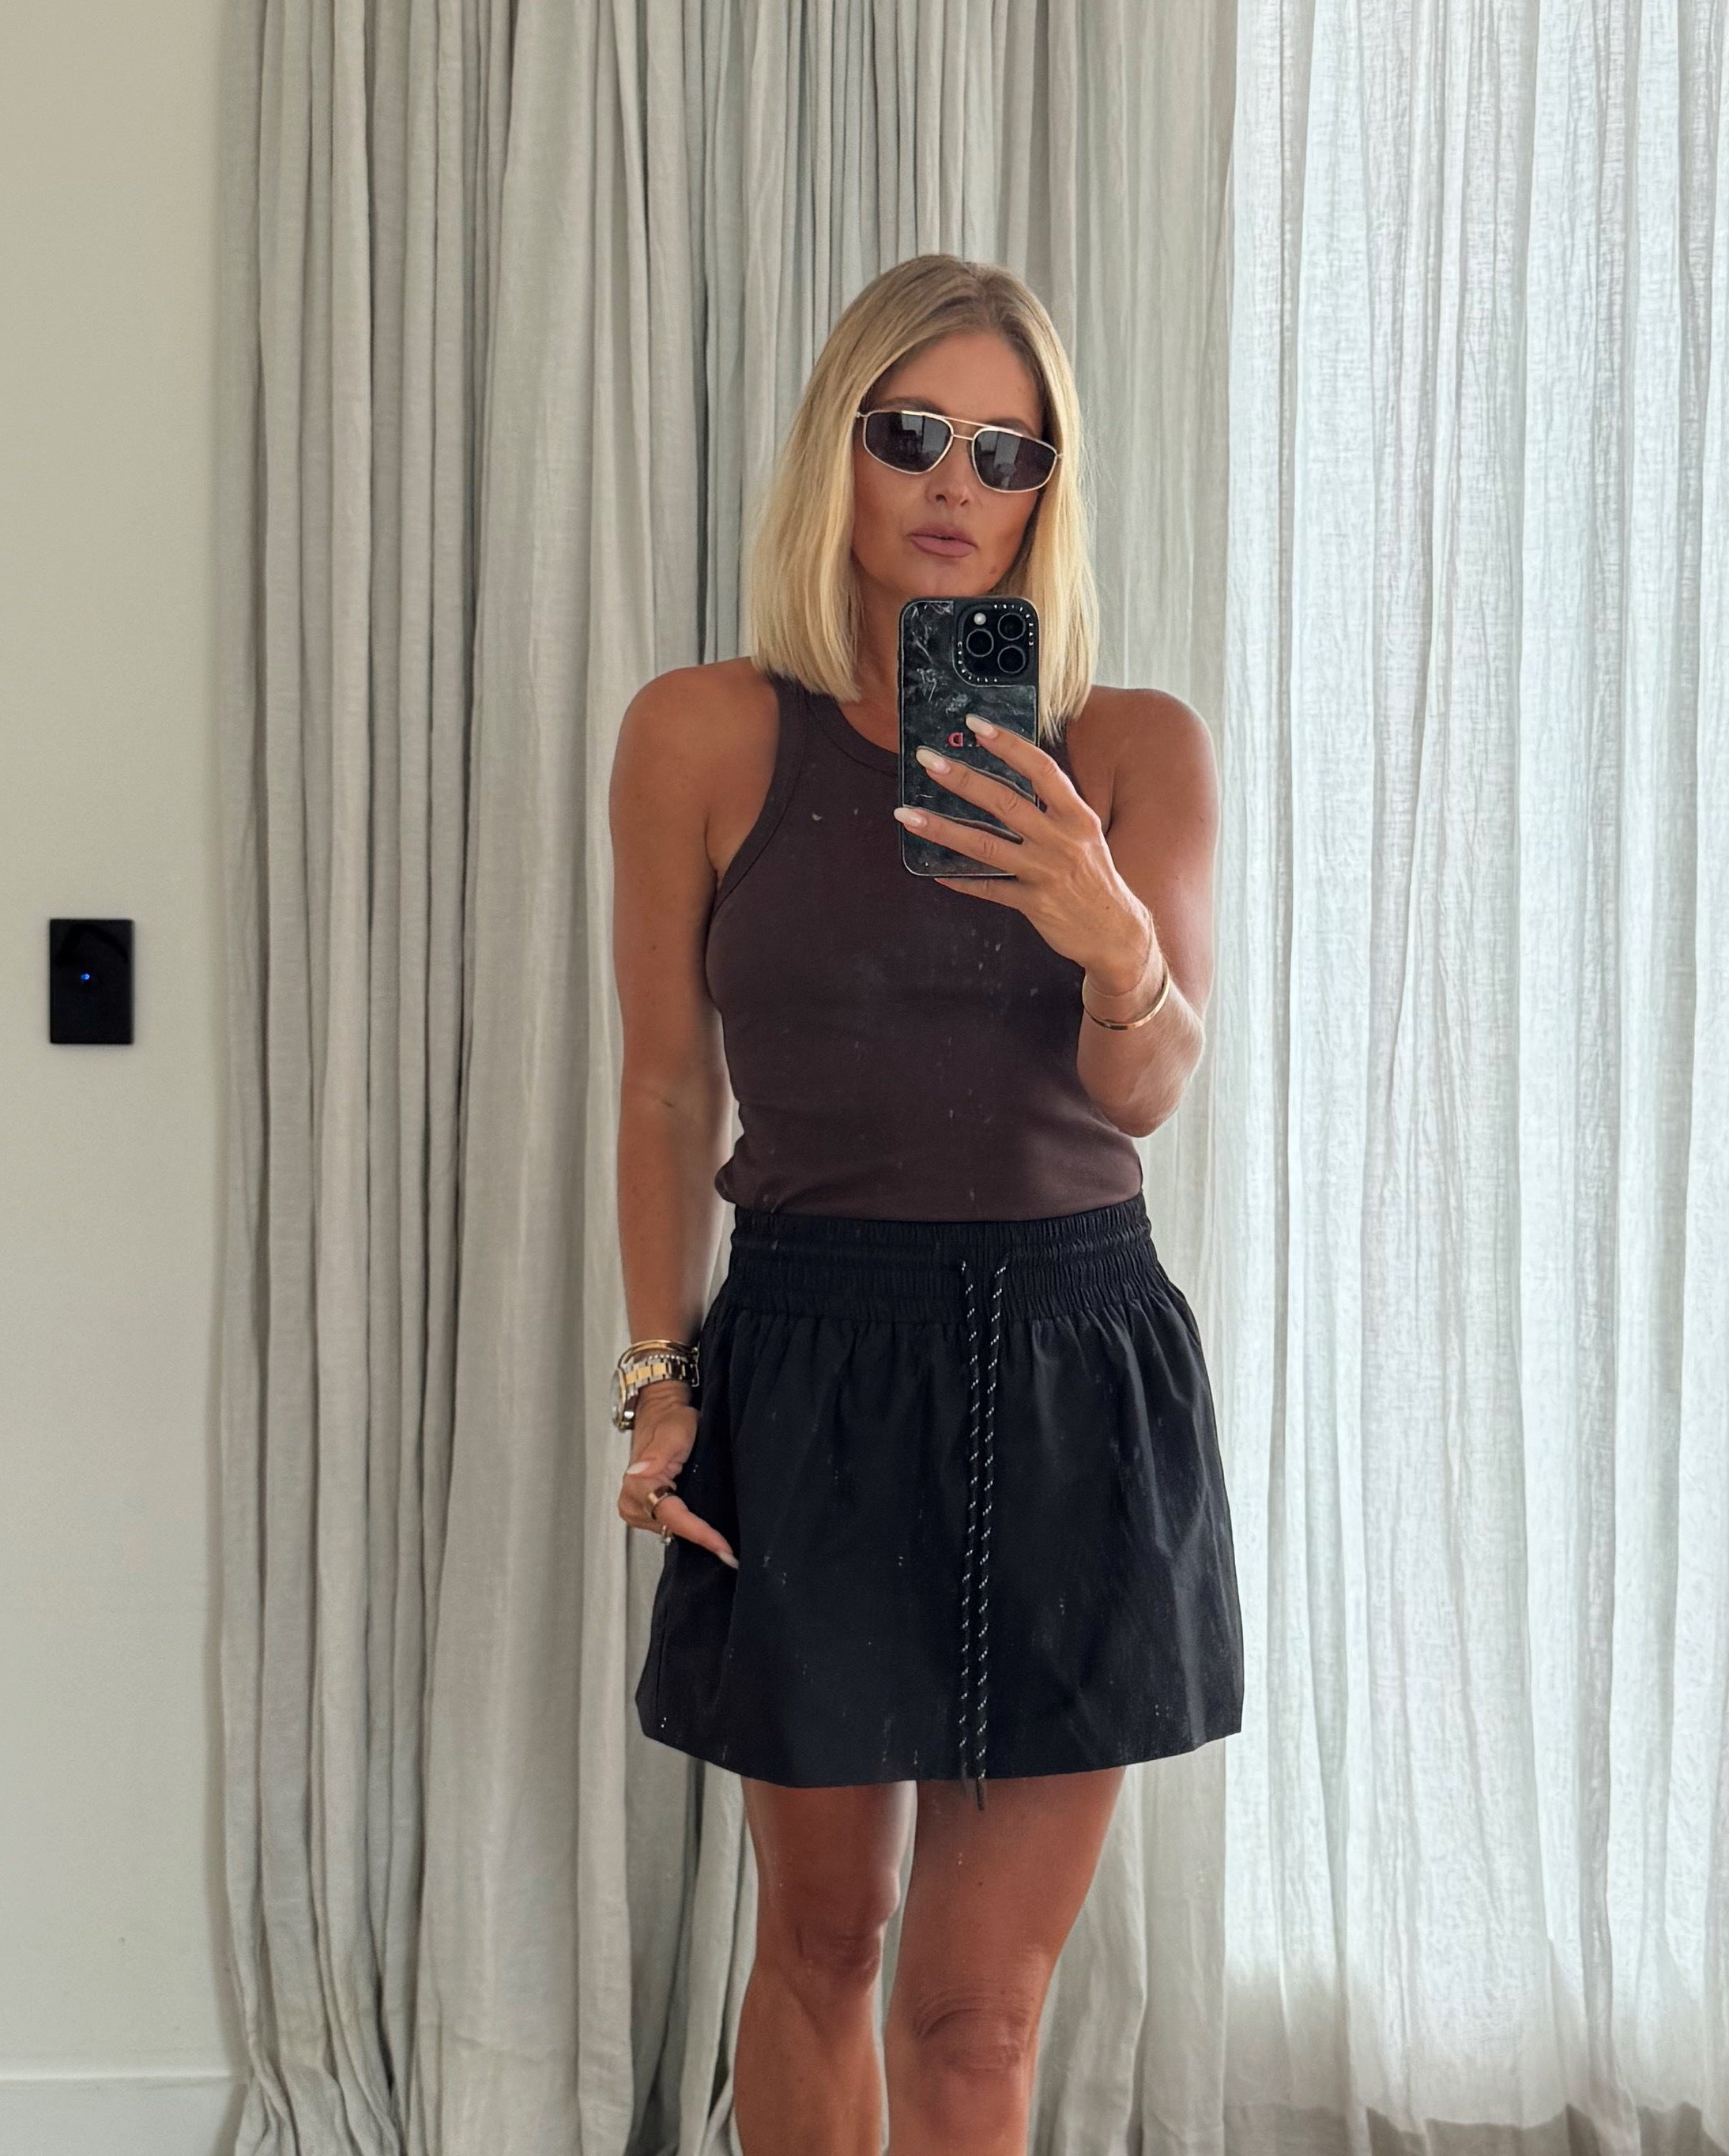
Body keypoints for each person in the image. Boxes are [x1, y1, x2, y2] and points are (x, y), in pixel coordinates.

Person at [605, 251, 1242, 2156]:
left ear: (1049, 487)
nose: (956, 483)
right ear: (838, 448)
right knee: (821, 1939)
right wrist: (657, 1372)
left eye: (1005, 450)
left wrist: (1106, 930)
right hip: (812, 1350)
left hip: (1069, 1360)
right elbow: (664, 1085)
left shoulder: (1132, 747)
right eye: (911, 434)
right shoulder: (701, 732)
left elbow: (1147, 1087)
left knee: (981, 2007)